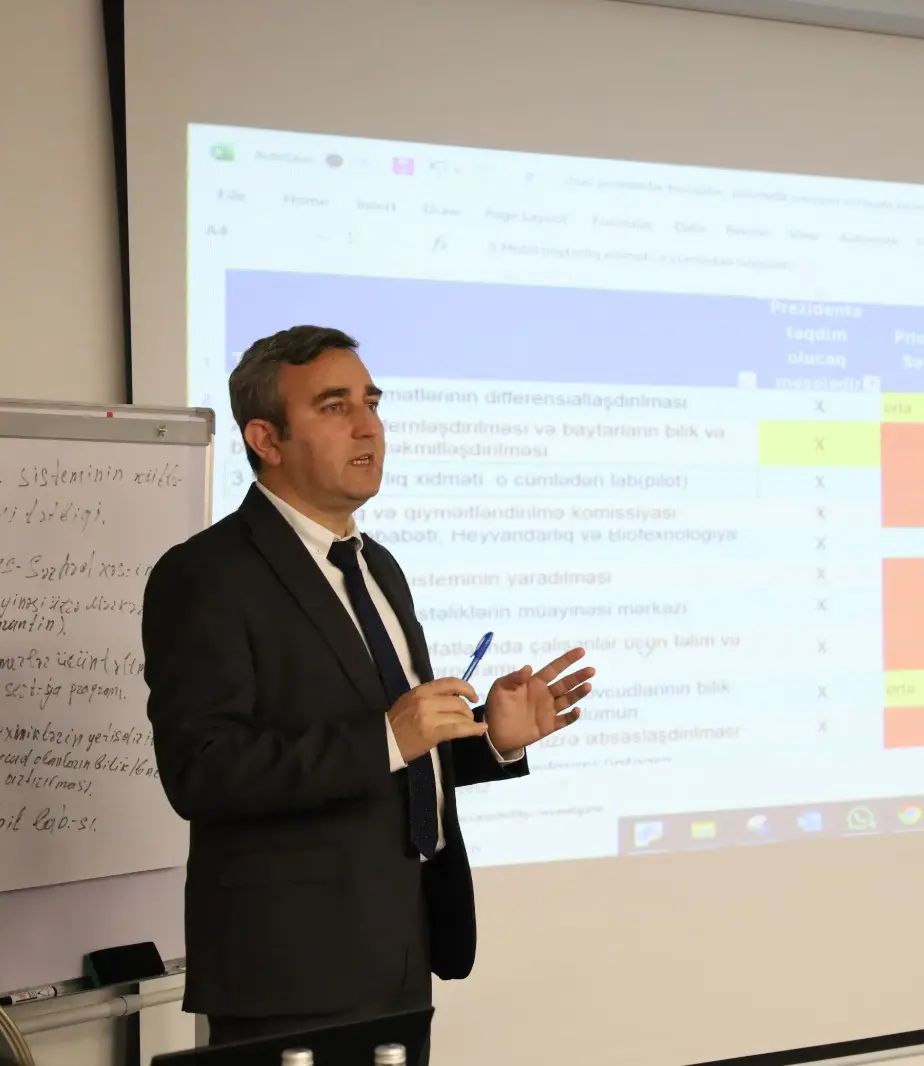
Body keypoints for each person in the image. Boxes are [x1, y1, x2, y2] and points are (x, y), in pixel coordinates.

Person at [141, 325, 593, 1052]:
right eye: (334, 406)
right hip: (289, 970)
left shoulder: (377, 565)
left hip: (404, 946)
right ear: (265, 438)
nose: (368, 426)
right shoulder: (205, 575)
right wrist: (389, 735)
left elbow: (397, 757)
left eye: (372, 403)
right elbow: (203, 772)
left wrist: (490, 737)